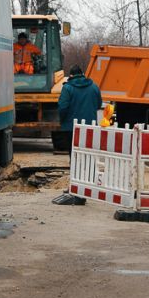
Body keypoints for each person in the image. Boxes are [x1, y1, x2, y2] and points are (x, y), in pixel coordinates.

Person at [53, 65, 103, 206]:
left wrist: (63, 121)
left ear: (71, 76)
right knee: (88, 156)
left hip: (71, 128)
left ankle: (76, 188)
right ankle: (87, 186)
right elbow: (99, 104)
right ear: (82, 74)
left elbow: (62, 107)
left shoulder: (68, 88)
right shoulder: (94, 86)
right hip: (89, 127)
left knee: (74, 158)